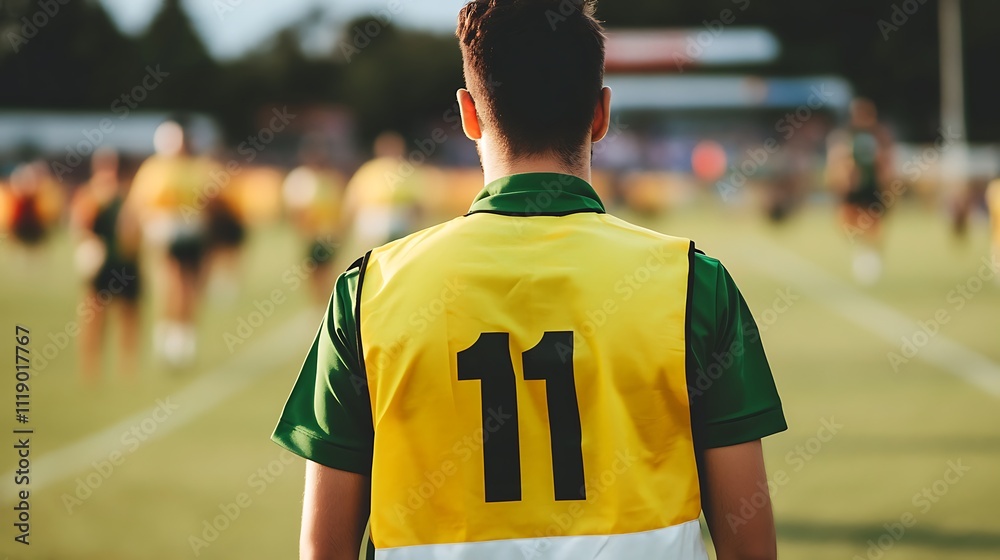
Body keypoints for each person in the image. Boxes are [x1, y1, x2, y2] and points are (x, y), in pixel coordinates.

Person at [272, 2, 786, 559]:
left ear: (468, 114)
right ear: (601, 114)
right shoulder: (694, 284)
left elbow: (323, 551)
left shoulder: (368, 291)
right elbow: (750, 549)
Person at [129, 119, 213, 367]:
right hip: (166, 232)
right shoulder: (154, 168)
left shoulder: (197, 167)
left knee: (191, 287)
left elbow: (207, 200)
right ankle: (169, 335)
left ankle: (184, 335)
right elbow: (140, 203)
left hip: (193, 232)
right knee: (173, 283)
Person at [69, 149, 143, 382]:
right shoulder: (91, 195)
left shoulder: (129, 197)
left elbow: (136, 232)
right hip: (101, 266)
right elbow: (79, 227)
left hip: (125, 265)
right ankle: (90, 368)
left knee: (129, 316)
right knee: (94, 315)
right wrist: (89, 247)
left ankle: (127, 368)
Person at [826, 98, 895, 285]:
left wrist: (887, 184)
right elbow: (836, 160)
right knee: (846, 224)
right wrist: (841, 179)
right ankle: (863, 254)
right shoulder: (845, 135)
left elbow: (887, 161)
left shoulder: (879, 135)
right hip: (853, 188)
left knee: (874, 228)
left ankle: (871, 259)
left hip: (872, 187)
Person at [335, 131, 424, 272]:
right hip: (373, 215)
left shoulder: (407, 169)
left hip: (399, 215)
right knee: (373, 258)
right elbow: (354, 197)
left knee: (396, 257)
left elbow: (418, 200)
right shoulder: (370, 169)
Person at [283, 138, 347, 304]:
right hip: (311, 233)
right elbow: (294, 209)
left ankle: (326, 301)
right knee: (312, 272)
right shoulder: (300, 178)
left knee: (327, 270)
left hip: (328, 233)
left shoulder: (331, 179)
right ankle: (318, 302)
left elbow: (339, 206)